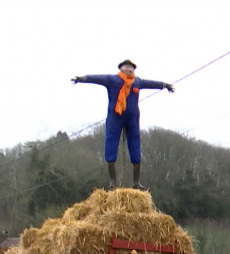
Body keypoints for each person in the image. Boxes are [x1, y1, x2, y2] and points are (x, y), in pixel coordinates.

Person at [72, 59, 175, 189]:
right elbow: (97, 78)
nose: (130, 69)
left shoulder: (137, 81)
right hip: (115, 116)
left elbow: (151, 83)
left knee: (135, 146)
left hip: (132, 117)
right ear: (121, 68)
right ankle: (112, 182)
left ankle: (136, 182)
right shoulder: (113, 80)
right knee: (111, 144)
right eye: (127, 67)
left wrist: (164, 85)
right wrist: (82, 79)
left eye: (132, 68)